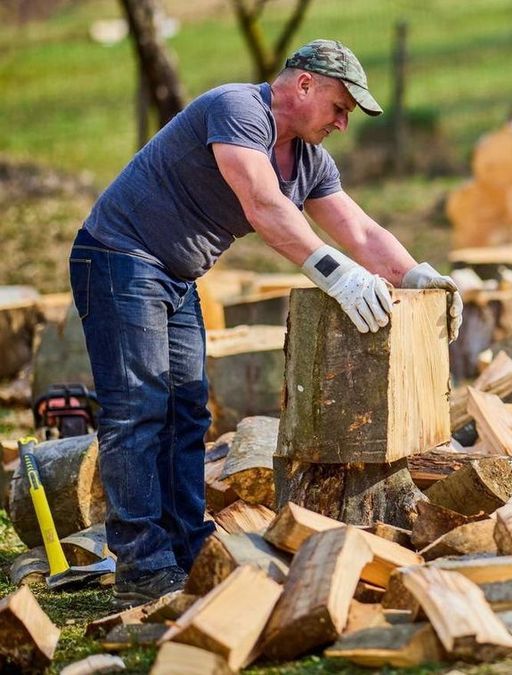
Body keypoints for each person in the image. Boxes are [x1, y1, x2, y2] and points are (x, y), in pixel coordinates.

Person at [68, 39, 463, 607]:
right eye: (340, 107)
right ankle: (141, 564)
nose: (342, 124)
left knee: (185, 411)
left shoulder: (308, 161)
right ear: (303, 84)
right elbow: (262, 204)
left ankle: (188, 548)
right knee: (138, 409)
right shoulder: (237, 110)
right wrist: (341, 278)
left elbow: (361, 231)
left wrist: (419, 278)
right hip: (118, 258)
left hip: (174, 276)